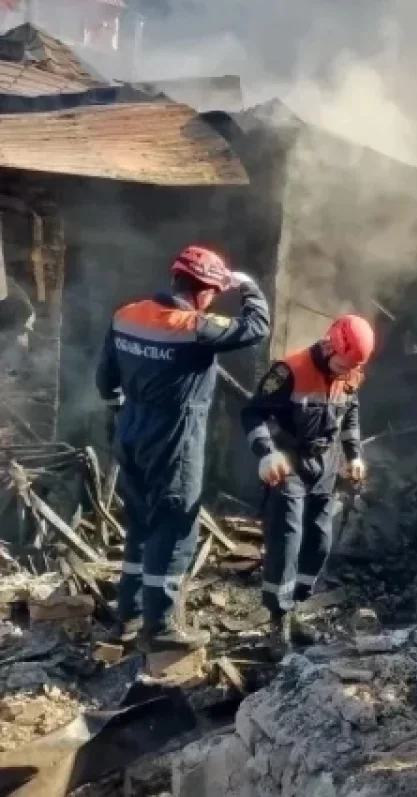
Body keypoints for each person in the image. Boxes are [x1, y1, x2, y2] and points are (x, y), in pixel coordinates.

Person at [96, 246, 269, 652]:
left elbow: (106, 381)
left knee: (140, 525)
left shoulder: (126, 315)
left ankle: (129, 616)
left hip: (131, 430)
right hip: (173, 438)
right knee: (174, 528)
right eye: (214, 291)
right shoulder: (195, 327)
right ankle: (161, 627)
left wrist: (121, 414)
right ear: (205, 290)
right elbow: (257, 327)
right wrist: (249, 288)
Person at [241, 314, 374, 656]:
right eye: (345, 363)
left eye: (354, 367)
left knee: (319, 538)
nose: (348, 372)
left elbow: (352, 414)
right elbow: (253, 414)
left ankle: (297, 606)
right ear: (331, 345)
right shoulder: (290, 370)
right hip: (290, 463)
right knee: (287, 539)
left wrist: (354, 455)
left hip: (326, 465)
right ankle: (278, 621)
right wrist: (266, 453)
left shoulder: (350, 372)